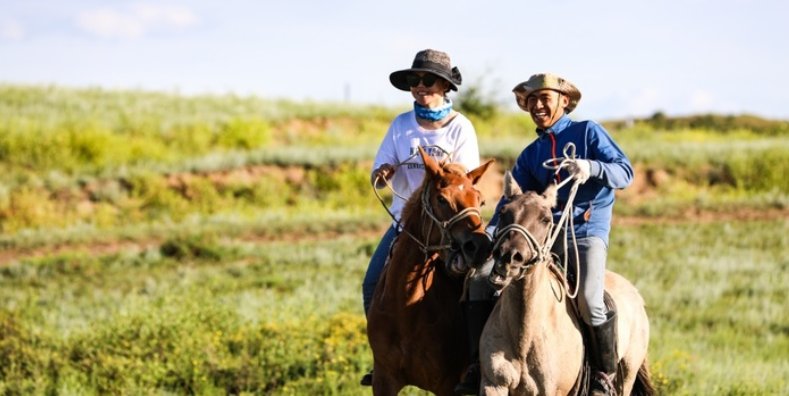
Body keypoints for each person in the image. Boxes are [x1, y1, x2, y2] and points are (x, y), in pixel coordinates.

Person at [474, 73, 633, 396]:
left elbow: (625, 172)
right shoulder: (531, 153)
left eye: (544, 98)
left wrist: (593, 167)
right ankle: (475, 365)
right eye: (531, 100)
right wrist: (492, 233)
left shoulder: (588, 131)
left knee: (589, 299)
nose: (537, 105)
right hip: (540, 237)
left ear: (564, 101)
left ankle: (603, 376)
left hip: (586, 231)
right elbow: (511, 201)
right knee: (480, 280)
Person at [360, 49, 481, 386]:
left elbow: (465, 177)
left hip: (448, 227)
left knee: (473, 286)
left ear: (444, 85)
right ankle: (383, 359)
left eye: (427, 80)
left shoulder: (461, 128)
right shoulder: (401, 125)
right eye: (414, 80)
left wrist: (442, 173)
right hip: (406, 225)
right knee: (372, 284)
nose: (419, 86)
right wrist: (382, 173)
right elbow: (377, 169)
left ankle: (473, 363)